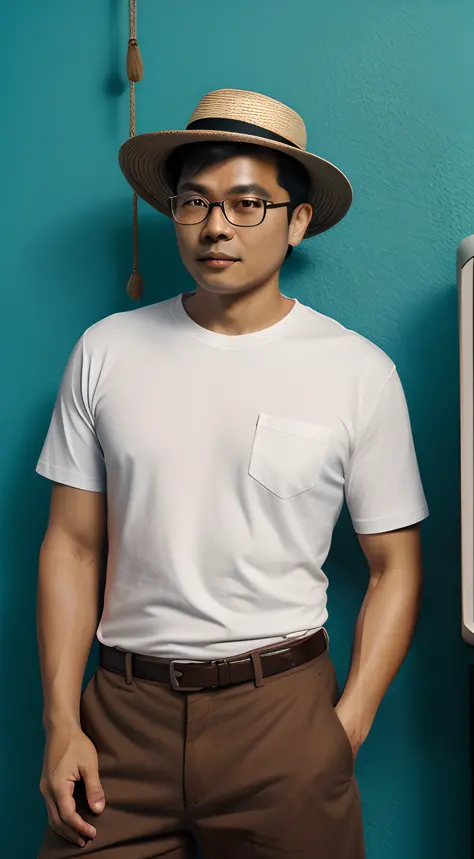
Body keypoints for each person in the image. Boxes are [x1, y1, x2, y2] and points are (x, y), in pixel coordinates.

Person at [36, 88, 428, 859]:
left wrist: (344, 728)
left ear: (298, 220)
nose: (217, 226)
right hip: (121, 716)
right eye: (195, 201)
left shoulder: (357, 372)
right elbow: (72, 546)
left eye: (249, 203)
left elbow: (397, 567)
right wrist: (61, 722)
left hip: (280, 715)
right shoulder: (105, 350)